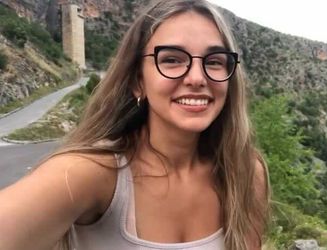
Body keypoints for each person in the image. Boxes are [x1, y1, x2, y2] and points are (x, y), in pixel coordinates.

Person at [0, 0, 270, 249]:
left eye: (214, 61)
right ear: (137, 80)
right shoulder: (93, 174)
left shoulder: (244, 173)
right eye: (172, 59)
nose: (197, 78)